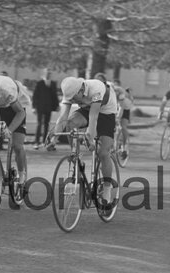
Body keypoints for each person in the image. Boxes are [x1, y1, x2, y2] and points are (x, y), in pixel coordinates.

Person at [48, 75, 118, 206]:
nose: (73, 101)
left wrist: (90, 136)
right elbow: (63, 117)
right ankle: (76, 156)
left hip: (106, 112)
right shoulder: (70, 92)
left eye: (74, 98)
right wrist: (54, 138)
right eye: (71, 99)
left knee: (103, 153)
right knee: (70, 124)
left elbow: (94, 117)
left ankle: (107, 189)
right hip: (87, 109)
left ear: (81, 90)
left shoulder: (96, 88)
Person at [31, 68, 60, 148]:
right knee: (39, 124)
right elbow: (35, 96)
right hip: (40, 107)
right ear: (44, 73)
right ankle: (36, 141)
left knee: (47, 124)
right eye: (47, 73)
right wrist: (34, 107)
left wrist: (57, 105)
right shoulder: (39, 83)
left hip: (49, 107)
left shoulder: (53, 84)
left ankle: (45, 141)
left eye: (50, 73)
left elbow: (55, 96)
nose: (48, 74)